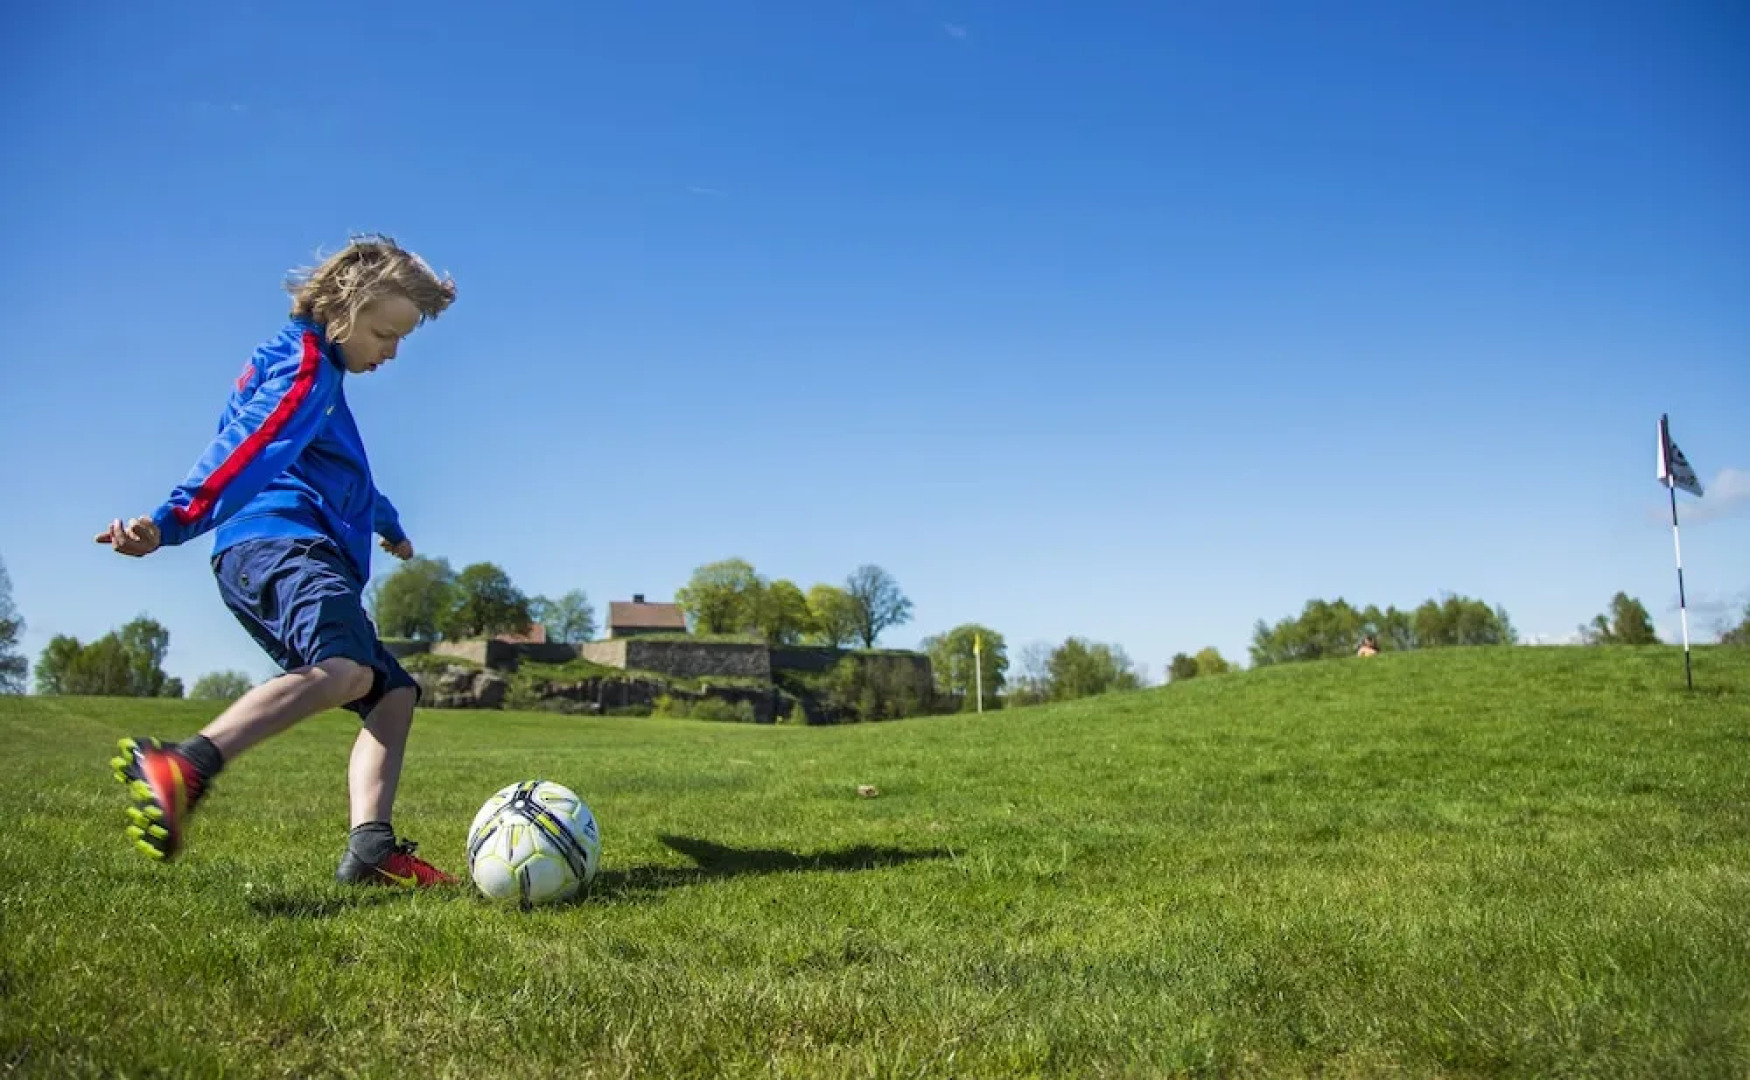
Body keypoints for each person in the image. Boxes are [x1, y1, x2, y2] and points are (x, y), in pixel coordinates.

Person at [99, 234, 458, 887]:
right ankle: (186, 766)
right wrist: (170, 520)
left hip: (281, 545)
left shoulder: (313, 376)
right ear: (345, 308)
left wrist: (390, 527)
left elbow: (344, 473)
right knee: (347, 669)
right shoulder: (306, 369)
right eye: (385, 333)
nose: (392, 352)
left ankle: (372, 850)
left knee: (393, 692)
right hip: (280, 543)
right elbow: (250, 448)